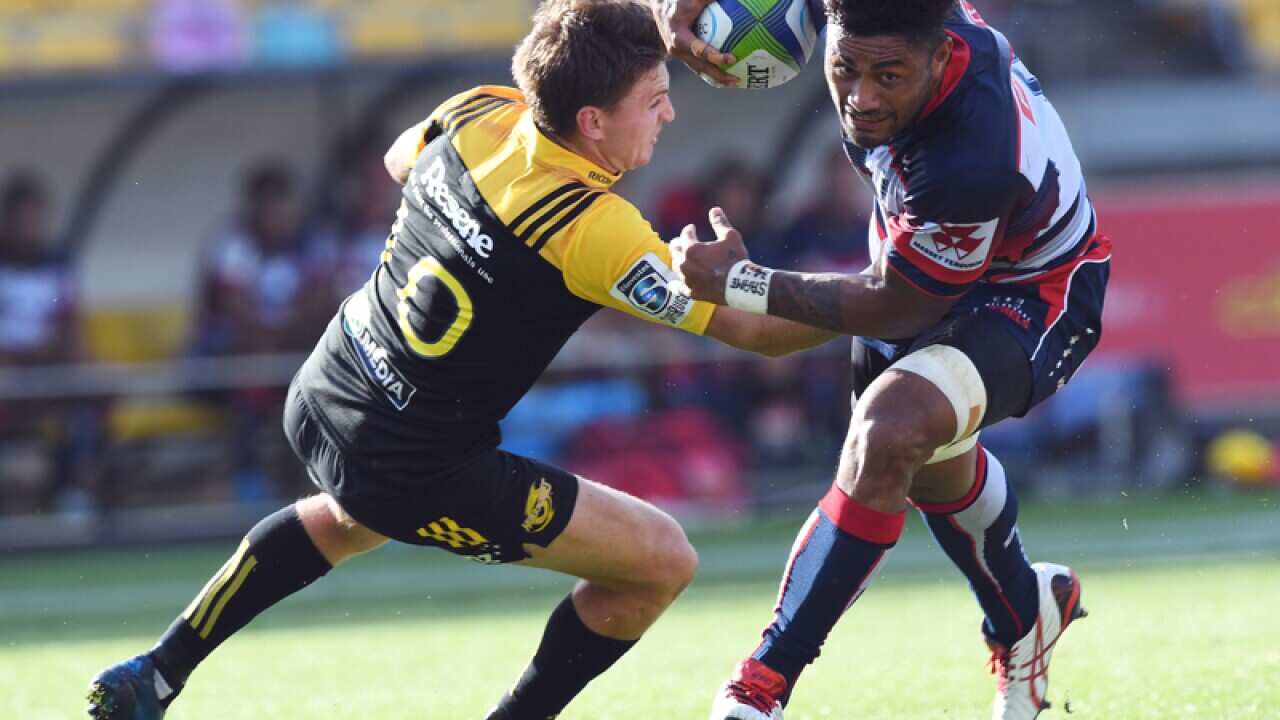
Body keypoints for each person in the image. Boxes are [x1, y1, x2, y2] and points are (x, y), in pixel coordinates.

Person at [86, 2, 832, 719]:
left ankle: (155, 671)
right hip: (410, 462)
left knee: (350, 518)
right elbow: (758, 334)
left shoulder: (481, 109)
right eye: (656, 99)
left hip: (325, 388)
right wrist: (881, 298)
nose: (669, 114)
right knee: (661, 561)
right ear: (592, 121)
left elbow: (398, 157)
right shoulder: (593, 230)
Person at [655, 1, 1111, 718]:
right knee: (929, 474)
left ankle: (759, 689)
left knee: (889, 431)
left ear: (939, 55)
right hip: (915, 253)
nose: (861, 97)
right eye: (844, 69)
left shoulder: (975, 155)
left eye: (889, 76)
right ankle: (1028, 608)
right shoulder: (886, 21)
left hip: (1034, 292)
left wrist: (740, 283)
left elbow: (896, 305)